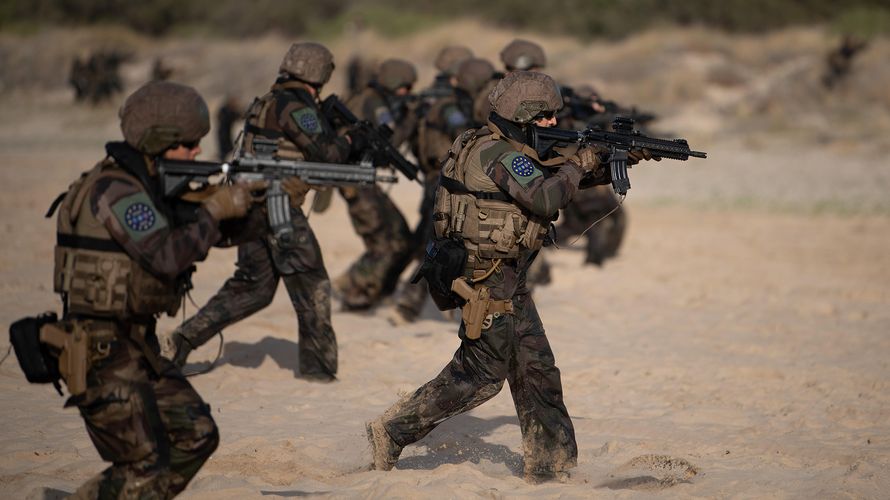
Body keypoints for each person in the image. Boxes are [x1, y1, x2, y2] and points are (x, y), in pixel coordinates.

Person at [366, 71, 652, 483]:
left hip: (505, 276)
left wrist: (615, 162)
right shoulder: (500, 155)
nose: (555, 123)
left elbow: (552, 178)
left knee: (537, 369)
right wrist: (580, 162)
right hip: (485, 278)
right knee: (480, 376)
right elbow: (547, 195)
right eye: (546, 117)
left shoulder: (498, 144)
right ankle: (392, 430)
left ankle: (551, 466)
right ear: (523, 116)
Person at [46, 81, 260, 498]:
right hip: (97, 351)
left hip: (133, 346)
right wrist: (215, 209)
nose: (198, 151)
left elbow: (206, 236)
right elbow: (166, 255)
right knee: (144, 467)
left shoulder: (147, 187)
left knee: (197, 433)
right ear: (159, 141)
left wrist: (260, 207)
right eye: (188, 144)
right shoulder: (117, 189)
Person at [170, 42, 357, 381]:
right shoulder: (295, 107)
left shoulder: (266, 102)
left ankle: (182, 339)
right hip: (278, 207)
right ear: (318, 74)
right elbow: (328, 154)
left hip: (249, 207)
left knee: (252, 287)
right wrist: (348, 139)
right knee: (312, 284)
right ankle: (319, 371)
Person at [391, 57, 496, 324]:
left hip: (448, 184)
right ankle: (408, 303)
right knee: (438, 246)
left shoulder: (453, 103)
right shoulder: (450, 108)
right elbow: (465, 134)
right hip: (443, 185)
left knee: (444, 244)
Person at [333, 58, 419, 310]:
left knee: (402, 238)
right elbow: (390, 143)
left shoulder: (369, 98)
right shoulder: (374, 102)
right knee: (382, 243)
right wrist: (410, 118)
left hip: (363, 178)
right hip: (354, 180)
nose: (407, 93)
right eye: (405, 87)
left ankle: (370, 287)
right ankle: (354, 290)